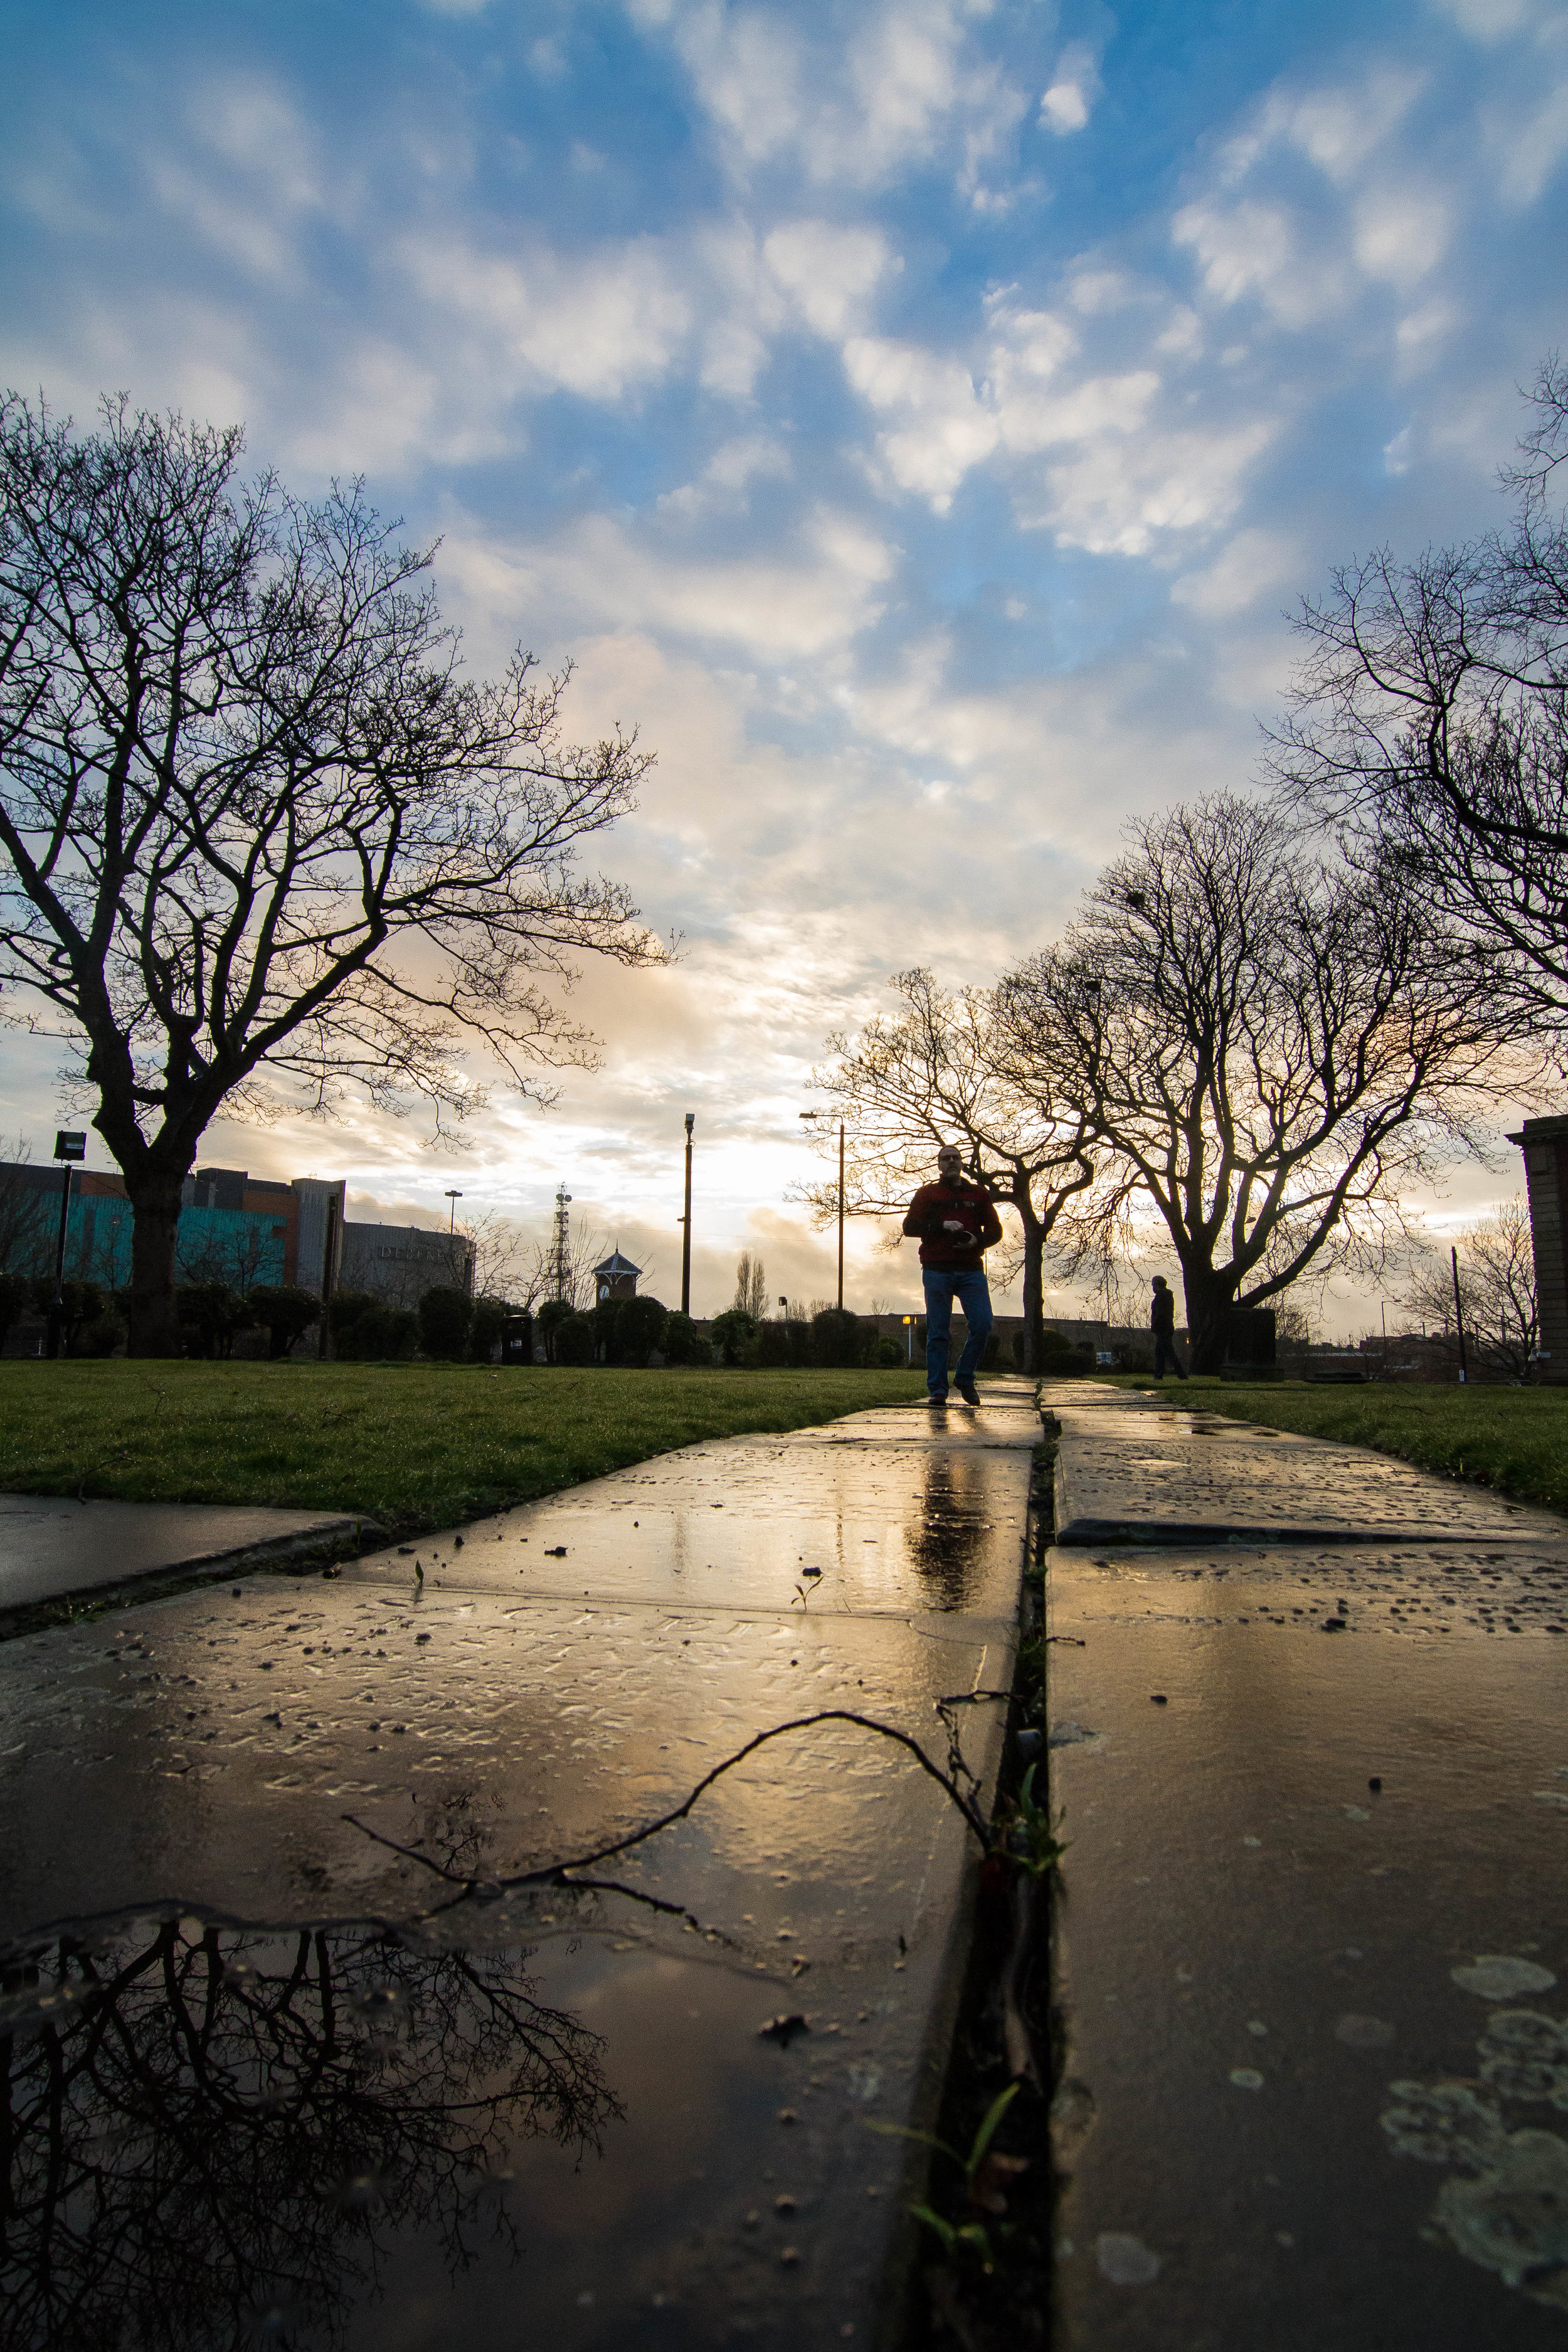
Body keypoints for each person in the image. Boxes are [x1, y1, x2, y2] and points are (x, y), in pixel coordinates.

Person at [903, 1145, 1003, 1406]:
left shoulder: (978, 1195)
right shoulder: (928, 1194)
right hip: (937, 1270)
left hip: (971, 1270)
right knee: (938, 1332)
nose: (951, 1162)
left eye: (955, 1158)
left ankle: (965, 1376)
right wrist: (941, 1226)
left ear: (962, 1163)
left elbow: (995, 1230)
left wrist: (976, 1241)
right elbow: (909, 1227)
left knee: (982, 1325)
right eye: (945, 1158)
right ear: (938, 1165)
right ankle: (938, 1390)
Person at [1150, 1274, 1187, 1380]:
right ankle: (1158, 1376)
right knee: (1160, 1353)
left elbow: (1160, 1313)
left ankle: (1182, 1375)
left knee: (1169, 1353)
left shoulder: (1162, 1296)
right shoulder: (1167, 1296)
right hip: (1165, 1328)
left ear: (1157, 1285)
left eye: (1153, 1285)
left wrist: (1154, 1325)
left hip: (1163, 1329)